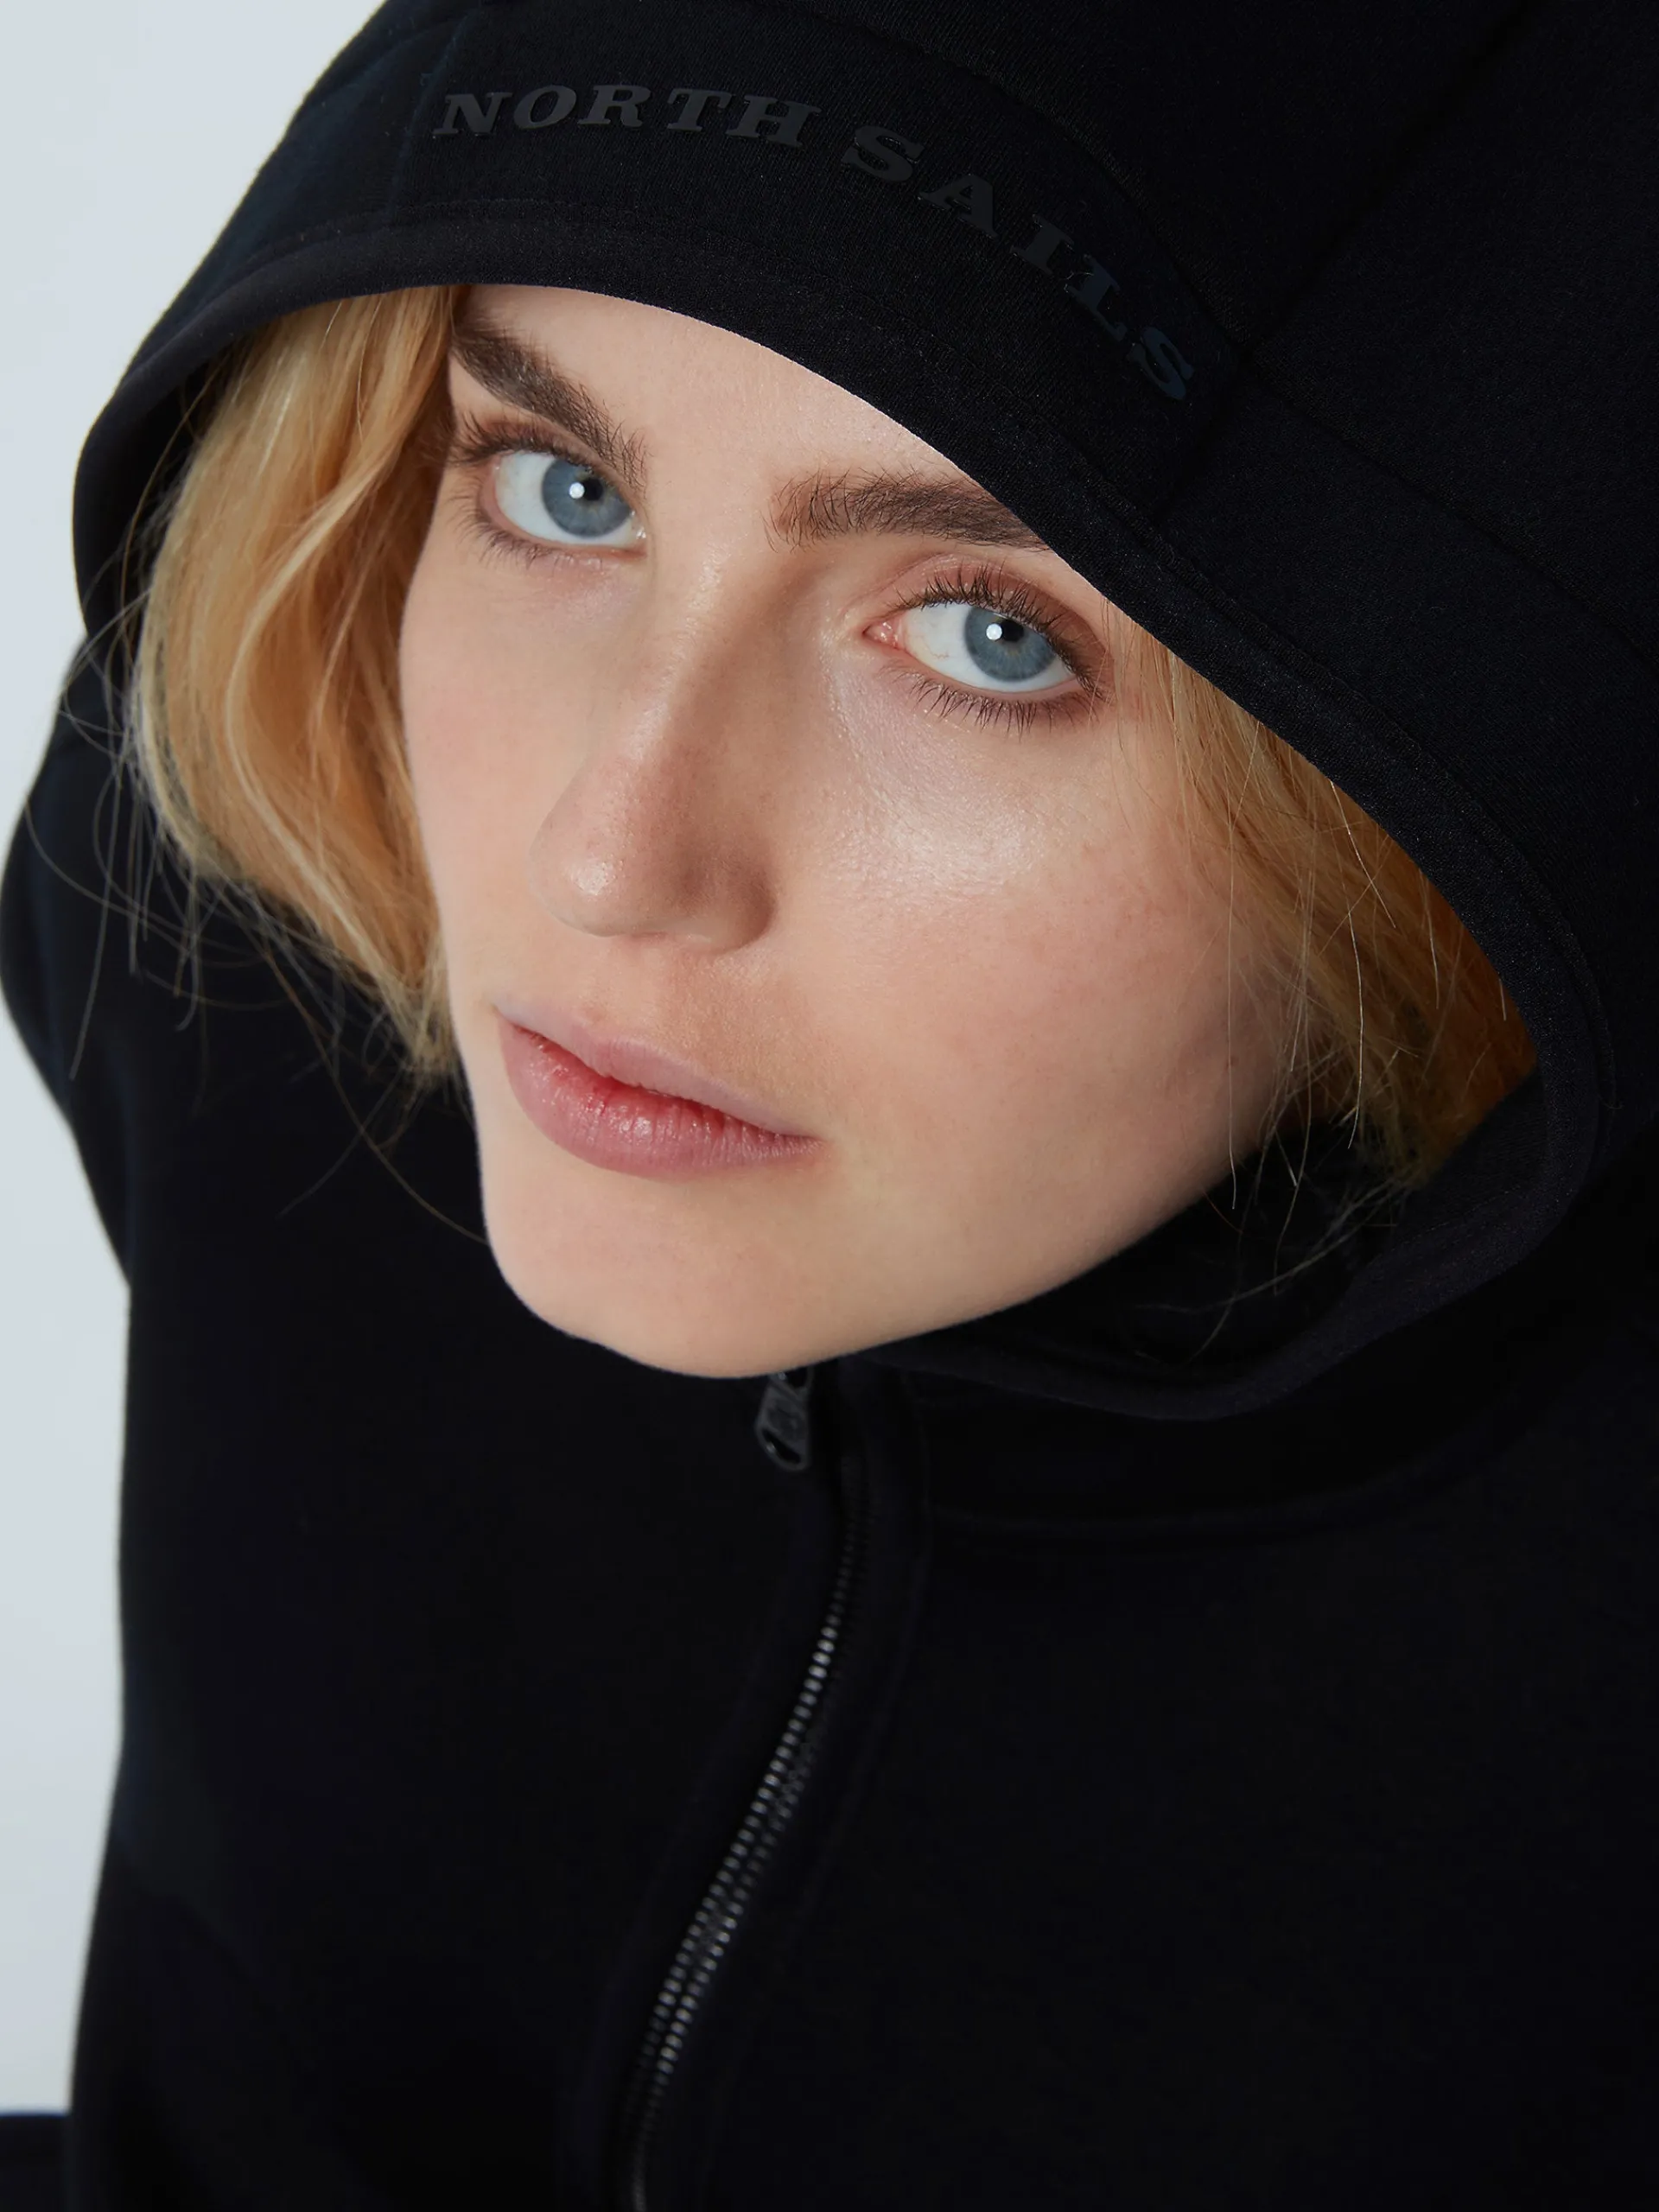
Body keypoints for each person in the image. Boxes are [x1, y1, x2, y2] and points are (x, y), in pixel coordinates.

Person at [2, 1, 1656, 2205]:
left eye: (990, 635)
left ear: (1442, 778)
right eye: (563, 488)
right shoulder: (236, 987)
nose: (611, 855)